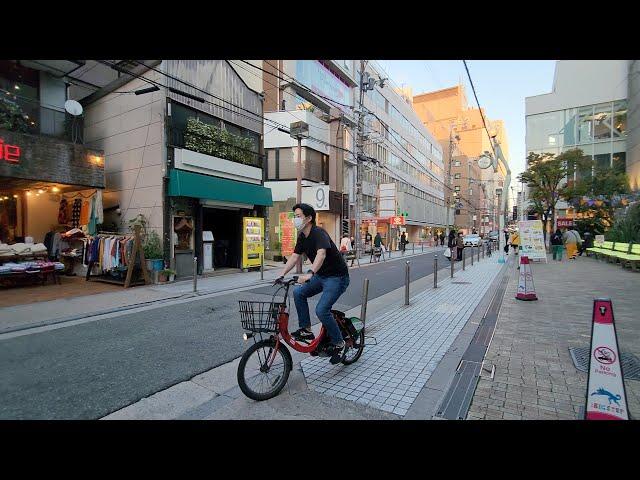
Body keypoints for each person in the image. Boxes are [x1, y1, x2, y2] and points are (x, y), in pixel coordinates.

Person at [277, 203, 350, 364]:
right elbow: (295, 257)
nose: (295, 219)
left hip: (337, 277)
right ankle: (306, 329)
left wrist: (310, 273)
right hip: (322, 276)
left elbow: (321, 254)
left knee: (322, 310)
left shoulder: (319, 233)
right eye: (294, 216)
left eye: (298, 216)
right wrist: (281, 274)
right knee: (298, 292)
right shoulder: (302, 237)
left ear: (309, 218)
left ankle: (339, 342)